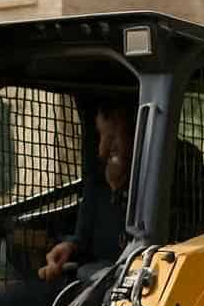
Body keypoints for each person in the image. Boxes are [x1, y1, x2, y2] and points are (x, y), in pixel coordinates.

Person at [38, 101, 134, 282]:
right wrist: (70, 247)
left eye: (113, 137)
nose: (102, 149)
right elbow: (83, 239)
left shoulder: (158, 192)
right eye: (101, 136)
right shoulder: (98, 186)